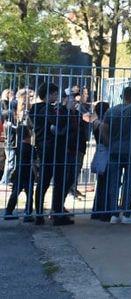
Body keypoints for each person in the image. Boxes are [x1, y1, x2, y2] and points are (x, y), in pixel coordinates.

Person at [30, 82, 74, 226]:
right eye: (54, 94)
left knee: (43, 182)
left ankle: (40, 214)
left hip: (43, 148)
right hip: (53, 148)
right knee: (58, 182)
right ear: (48, 94)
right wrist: (66, 110)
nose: (56, 96)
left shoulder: (35, 108)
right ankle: (57, 214)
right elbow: (58, 121)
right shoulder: (46, 108)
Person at [100, 87, 131, 224]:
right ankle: (126, 214)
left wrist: (109, 144)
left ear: (121, 96)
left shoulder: (111, 111)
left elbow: (103, 129)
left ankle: (114, 214)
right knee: (129, 182)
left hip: (115, 150)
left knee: (114, 183)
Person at [4, 89, 36, 222]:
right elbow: (29, 129)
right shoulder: (25, 115)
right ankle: (26, 213)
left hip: (21, 164)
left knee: (20, 190)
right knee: (27, 190)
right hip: (25, 166)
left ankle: (10, 211)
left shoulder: (20, 114)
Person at [90, 101, 110, 221]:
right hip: (105, 153)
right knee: (106, 184)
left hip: (99, 152)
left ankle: (96, 210)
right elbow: (106, 141)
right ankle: (103, 211)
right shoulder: (102, 125)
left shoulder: (95, 122)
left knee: (101, 184)